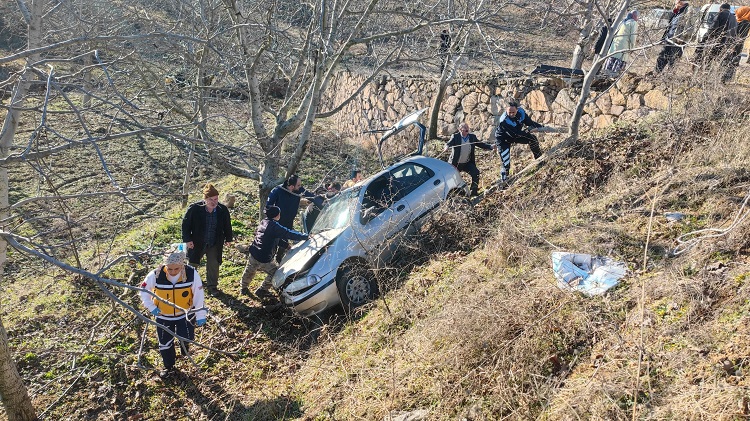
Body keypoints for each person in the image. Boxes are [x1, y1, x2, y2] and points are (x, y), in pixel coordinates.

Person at [139, 251, 206, 379]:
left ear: (182, 265)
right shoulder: (156, 275)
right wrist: (152, 307)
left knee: (187, 336)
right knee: (165, 342)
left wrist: (200, 314)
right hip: (163, 316)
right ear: (165, 265)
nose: (173, 271)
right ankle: (169, 366)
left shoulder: (191, 273)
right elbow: (143, 291)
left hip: (185, 314)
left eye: (177, 269)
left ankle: (184, 346)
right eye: (170, 268)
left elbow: (198, 295)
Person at [240, 206, 309, 298]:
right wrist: (305, 236)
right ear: (277, 215)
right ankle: (262, 290)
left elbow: (273, 238)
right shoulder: (275, 226)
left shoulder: (264, 222)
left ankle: (243, 287)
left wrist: (285, 245)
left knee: (249, 270)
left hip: (254, 252)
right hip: (264, 257)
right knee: (274, 273)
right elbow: (288, 233)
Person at [181, 183, 233, 291]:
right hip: (197, 242)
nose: (214, 202)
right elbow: (185, 225)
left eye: (216, 199)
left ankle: (212, 286)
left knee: (214, 264)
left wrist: (228, 239)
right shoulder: (195, 209)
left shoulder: (222, 210)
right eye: (211, 200)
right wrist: (187, 240)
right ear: (205, 199)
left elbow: (227, 225)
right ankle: (187, 284)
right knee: (192, 263)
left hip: (215, 242)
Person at [265, 174, 315, 262]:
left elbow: (312, 197)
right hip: (278, 221)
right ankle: (269, 260)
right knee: (275, 241)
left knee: (284, 240)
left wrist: (323, 202)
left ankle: (279, 257)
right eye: (298, 185)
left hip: (289, 220)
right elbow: (268, 206)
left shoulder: (299, 190)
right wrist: (272, 218)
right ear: (291, 186)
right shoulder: (278, 190)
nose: (301, 187)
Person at [494, 100, 544, 182]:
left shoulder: (521, 113)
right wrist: (528, 131)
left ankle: (539, 160)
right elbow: (515, 134)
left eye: (513, 112)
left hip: (516, 134)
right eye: (509, 112)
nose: (511, 114)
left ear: (517, 109)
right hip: (503, 139)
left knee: (533, 139)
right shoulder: (503, 120)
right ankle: (504, 180)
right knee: (506, 161)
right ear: (506, 110)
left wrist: (541, 127)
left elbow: (529, 122)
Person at [444, 122, 495, 196]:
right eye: (466, 130)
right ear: (460, 130)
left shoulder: (472, 137)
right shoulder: (455, 137)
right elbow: (449, 143)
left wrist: (490, 147)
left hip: (467, 163)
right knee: (452, 180)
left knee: (476, 173)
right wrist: (446, 147)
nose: (468, 131)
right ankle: (455, 195)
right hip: (455, 164)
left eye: (468, 129)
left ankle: (473, 192)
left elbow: (480, 144)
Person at [654, 0, 693, 73]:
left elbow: (690, 28)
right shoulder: (676, 11)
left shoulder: (689, 10)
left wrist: (682, 39)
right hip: (668, 39)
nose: (674, 3)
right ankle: (656, 74)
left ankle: (669, 78)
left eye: (676, 2)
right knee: (662, 56)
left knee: (673, 60)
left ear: (680, 2)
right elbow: (670, 25)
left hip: (677, 41)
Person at [694, 3, 737, 69]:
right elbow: (734, 32)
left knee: (708, 60)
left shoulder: (720, 14)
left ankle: (705, 72)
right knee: (719, 63)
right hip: (726, 44)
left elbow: (713, 28)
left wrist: (705, 38)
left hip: (716, 42)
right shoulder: (734, 18)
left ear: (720, 8)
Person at [604, 10, 640, 76]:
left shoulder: (623, 21)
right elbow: (633, 37)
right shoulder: (633, 23)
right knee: (618, 67)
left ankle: (605, 75)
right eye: (637, 17)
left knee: (611, 61)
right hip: (624, 46)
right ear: (634, 16)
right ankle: (614, 77)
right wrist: (632, 48)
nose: (638, 18)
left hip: (615, 44)